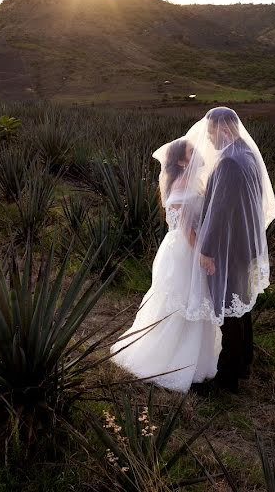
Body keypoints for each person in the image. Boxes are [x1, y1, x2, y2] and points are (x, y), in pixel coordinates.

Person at [110, 139, 221, 393]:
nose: (197, 153)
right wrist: (202, 254)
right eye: (191, 152)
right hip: (185, 250)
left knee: (192, 301)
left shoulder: (191, 182)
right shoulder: (182, 184)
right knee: (183, 301)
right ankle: (169, 360)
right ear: (181, 161)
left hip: (184, 247)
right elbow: (185, 227)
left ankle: (195, 360)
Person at [195, 107, 275, 391]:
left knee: (229, 308)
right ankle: (244, 363)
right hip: (246, 244)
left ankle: (226, 378)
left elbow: (219, 211)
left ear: (224, 129)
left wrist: (205, 249)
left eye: (211, 132)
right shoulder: (248, 155)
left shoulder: (229, 161)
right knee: (241, 304)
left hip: (229, 246)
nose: (210, 138)